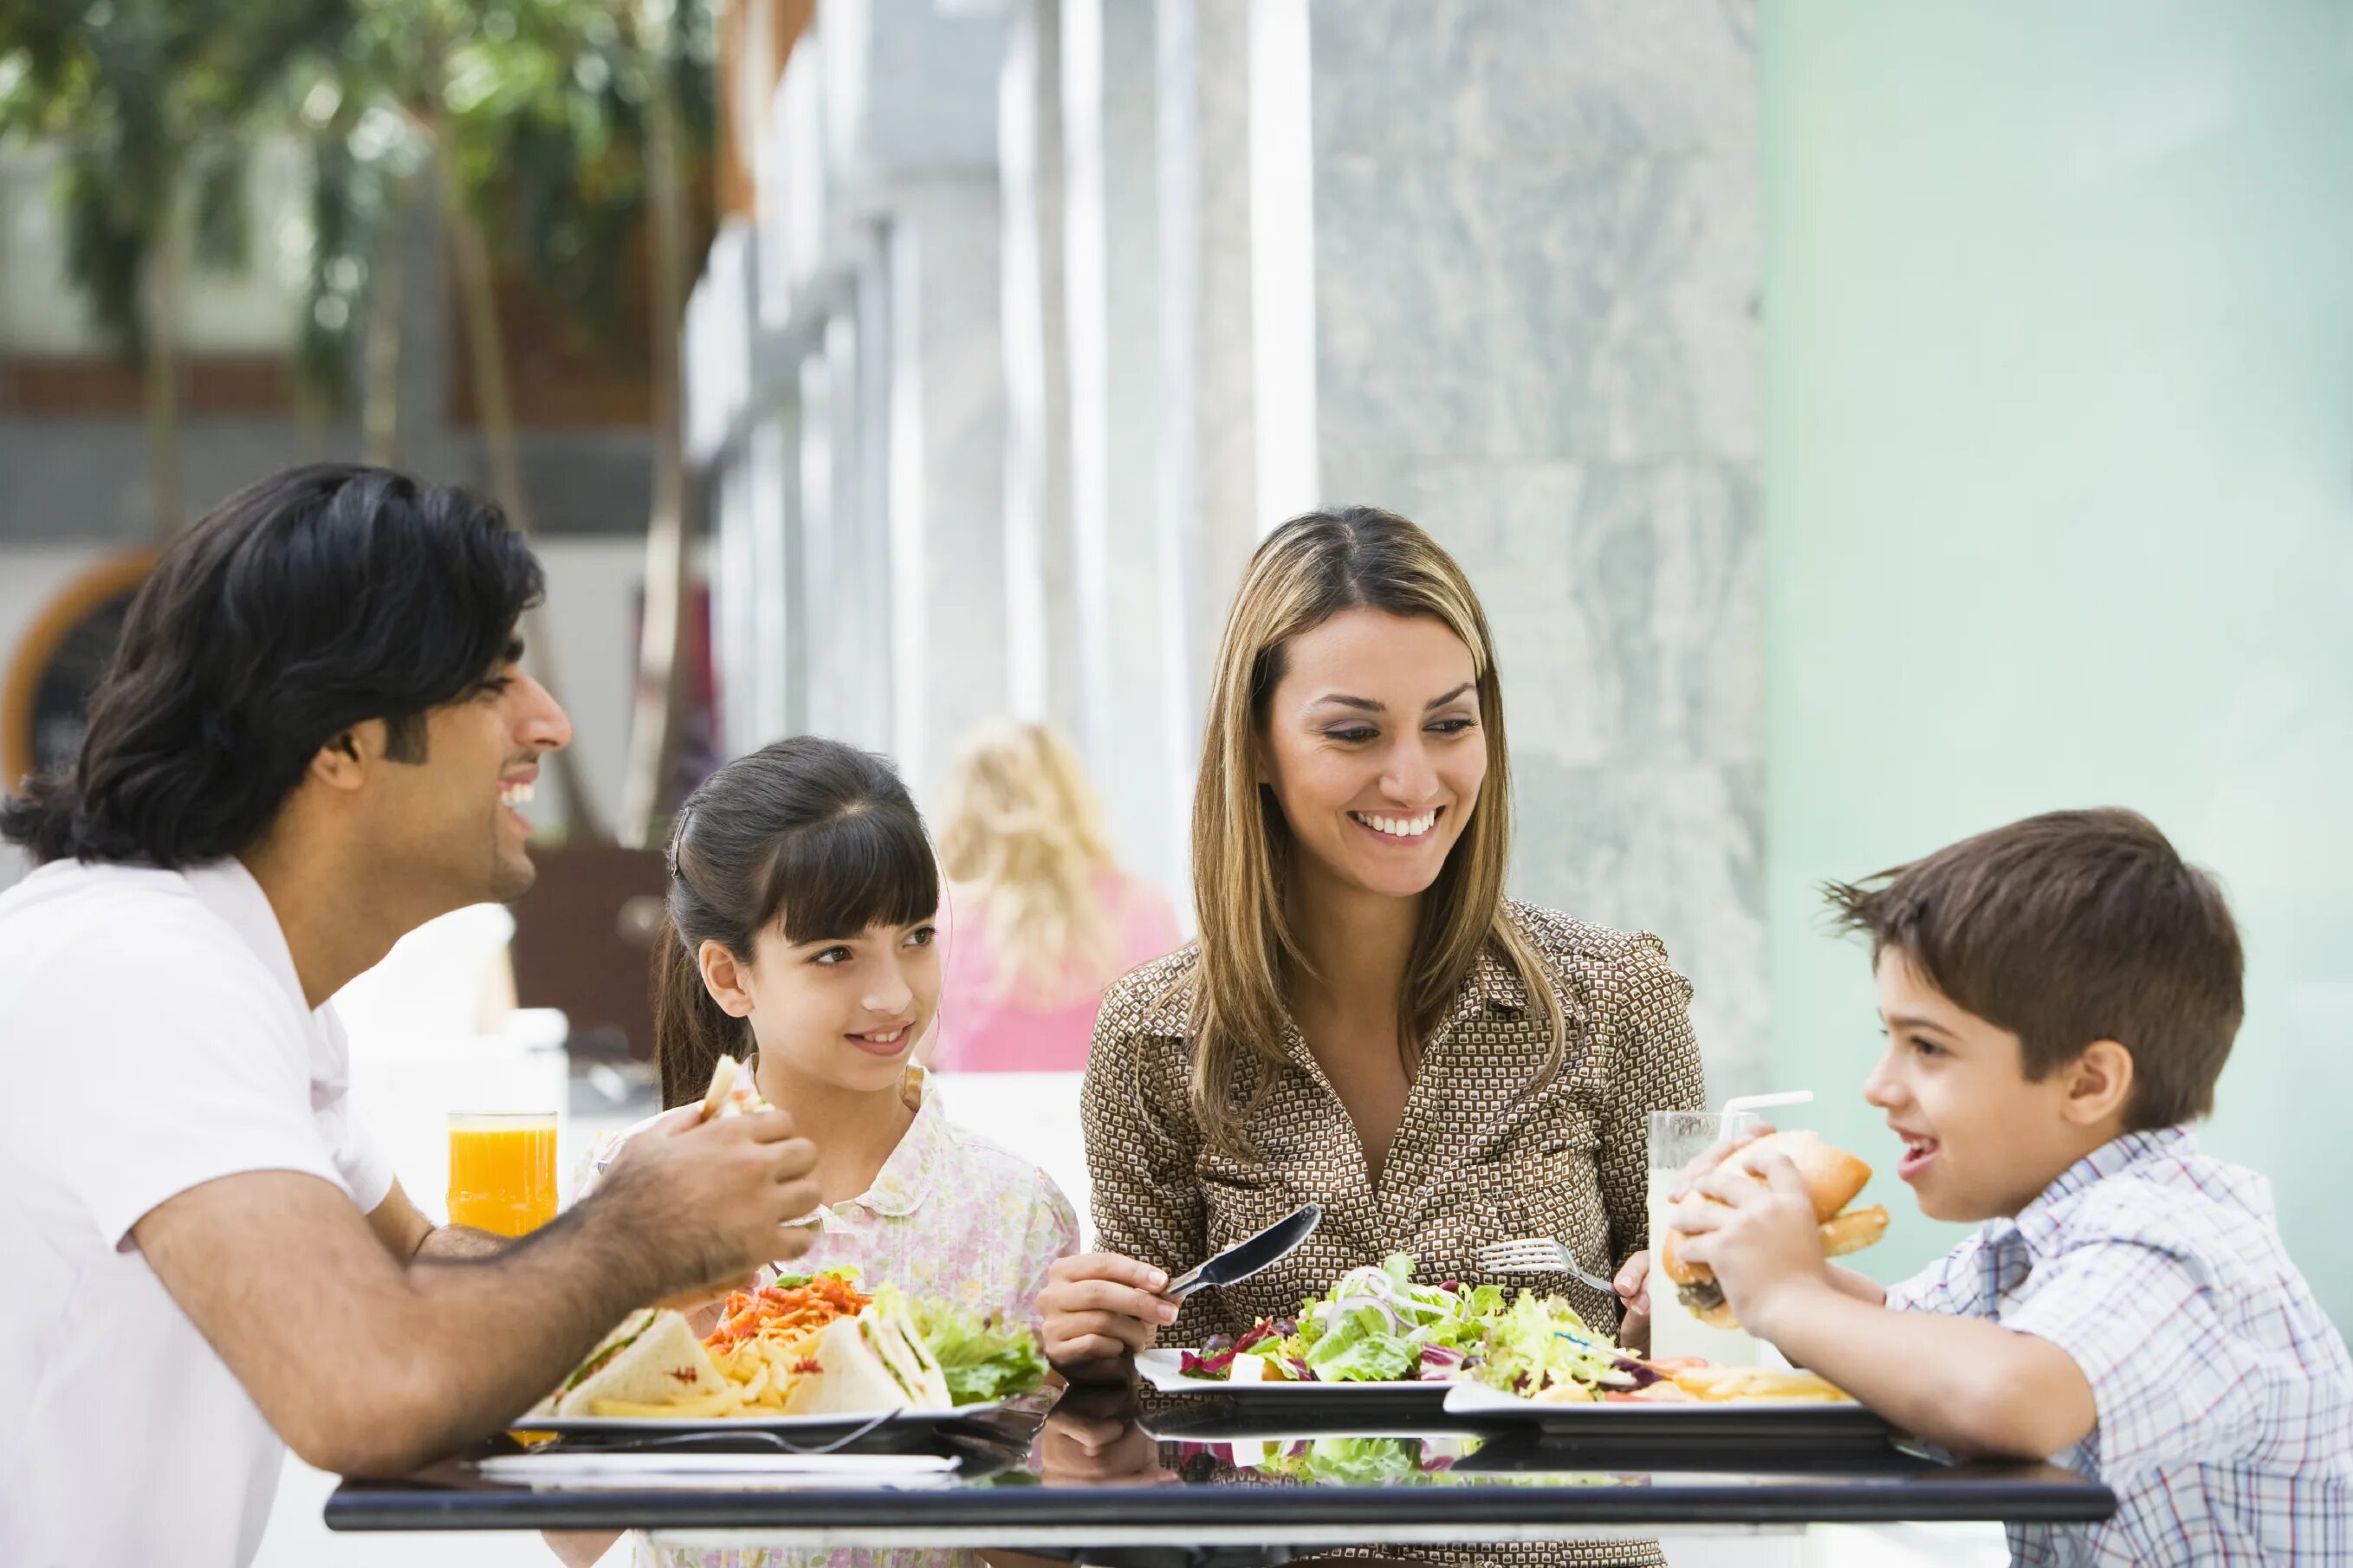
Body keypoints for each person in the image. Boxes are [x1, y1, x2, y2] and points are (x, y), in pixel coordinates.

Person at [0, 466, 824, 1568]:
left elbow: (420, 1269)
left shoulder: (232, 970)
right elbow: (367, 1382)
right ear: (338, 740)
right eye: (492, 683)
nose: (551, 722)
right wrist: (635, 1231)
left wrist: (682, 1281)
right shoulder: (139, 969)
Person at [1038, 505, 1707, 1568]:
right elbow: (1149, 1401)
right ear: (1254, 743)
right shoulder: (1153, 1037)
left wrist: (1681, 1305)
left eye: (1449, 723)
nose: (1413, 779)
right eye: (1354, 732)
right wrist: (1087, 1344)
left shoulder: (1618, 998)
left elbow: (1701, 1328)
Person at [1668, 808, 2351, 1566]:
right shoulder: (2037, 1235)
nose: (1878, 1087)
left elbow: (2009, 1400)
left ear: (2089, 1083)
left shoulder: (2173, 1237)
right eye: (1887, 1038)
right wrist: (1751, 1251)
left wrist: (1787, 1295)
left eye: (1927, 1046)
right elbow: (1898, 1334)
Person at [558, 735, 1079, 1568]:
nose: (893, 993)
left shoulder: (1014, 1209)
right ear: (730, 977)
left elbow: (1033, 1558)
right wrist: (675, 1319)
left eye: (915, 936)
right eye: (834, 954)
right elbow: (571, 1533)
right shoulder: (635, 1182)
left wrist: (1082, 1406)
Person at [930, 718, 1180, 1072]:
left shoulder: (937, 923)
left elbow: (918, 1064)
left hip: (972, 1122)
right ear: (1072, 794)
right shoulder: (1145, 910)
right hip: (1106, 1126)